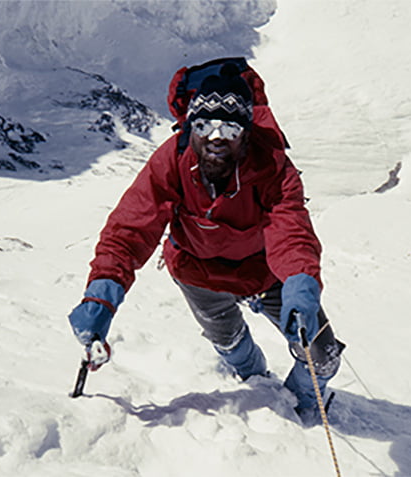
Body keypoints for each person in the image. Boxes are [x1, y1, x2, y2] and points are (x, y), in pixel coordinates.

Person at [67, 59, 344, 425]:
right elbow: (130, 230)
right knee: (231, 344)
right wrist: (102, 295)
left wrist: (300, 284)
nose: (215, 138)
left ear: (246, 132)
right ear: (190, 127)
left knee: (322, 354)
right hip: (200, 275)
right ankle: (255, 381)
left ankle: (299, 408)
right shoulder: (172, 160)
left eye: (229, 128)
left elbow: (291, 232)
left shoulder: (274, 168)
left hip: (267, 274)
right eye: (203, 125)